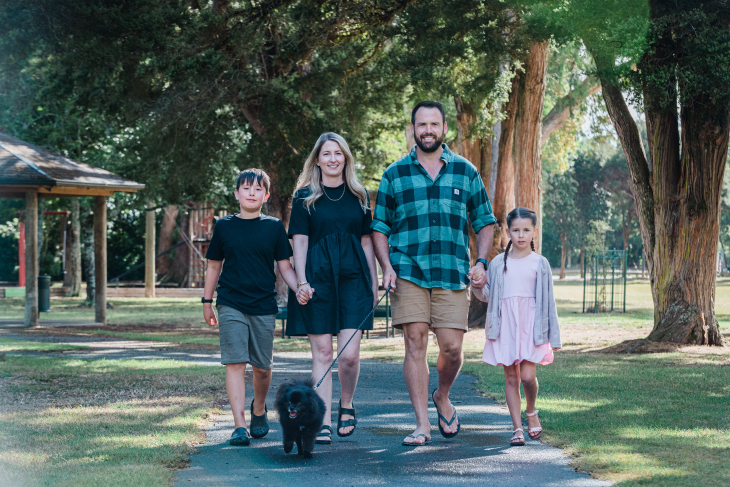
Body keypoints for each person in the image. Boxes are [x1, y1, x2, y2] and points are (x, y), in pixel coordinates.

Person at [371, 101, 496, 446]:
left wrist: (482, 262)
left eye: (434, 124)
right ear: (412, 129)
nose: (427, 130)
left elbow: (484, 222)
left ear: (444, 128)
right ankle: (422, 424)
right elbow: (379, 226)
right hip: (408, 270)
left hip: (452, 271)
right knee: (415, 343)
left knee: (452, 348)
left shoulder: (465, 171)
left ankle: (442, 395)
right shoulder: (394, 174)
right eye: (421, 124)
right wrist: (387, 267)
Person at [287, 132, 379, 445]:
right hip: (317, 278)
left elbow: (367, 242)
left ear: (346, 158)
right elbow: (299, 241)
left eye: (338, 153)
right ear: (317, 159)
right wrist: (301, 281)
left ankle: (348, 404)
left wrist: (374, 281)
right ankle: (322, 419)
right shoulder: (304, 197)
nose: (333, 159)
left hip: (354, 278)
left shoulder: (359, 195)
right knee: (324, 352)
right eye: (326, 154)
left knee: (349, 356)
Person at [202, 168, 299, 446]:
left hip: (263, 304)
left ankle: (258, 408)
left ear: (266, 196)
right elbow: (214, 266)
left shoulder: (273, 227)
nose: (252, 193)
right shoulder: (224, 226)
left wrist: (299, 288)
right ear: (237, 194)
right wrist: (207, 302)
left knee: (262, 368)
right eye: (246, 188)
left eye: (258, 189)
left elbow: (285, 267)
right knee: (235, 363)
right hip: (231, 302)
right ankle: (239, 426)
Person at [473, 207, 562, 446]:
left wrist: (554, 337)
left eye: (526, 230)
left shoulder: (540, 263)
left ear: (534, 232)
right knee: (512, 378)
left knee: (527, 376)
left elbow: (548, 302)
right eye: (515, 230)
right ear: (508, 232)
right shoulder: (498, 263)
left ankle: (531, 411)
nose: (521, 235)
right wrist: (478, 284)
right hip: (506, 327)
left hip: (532, 327)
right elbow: (488, 296)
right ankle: (517, 427)